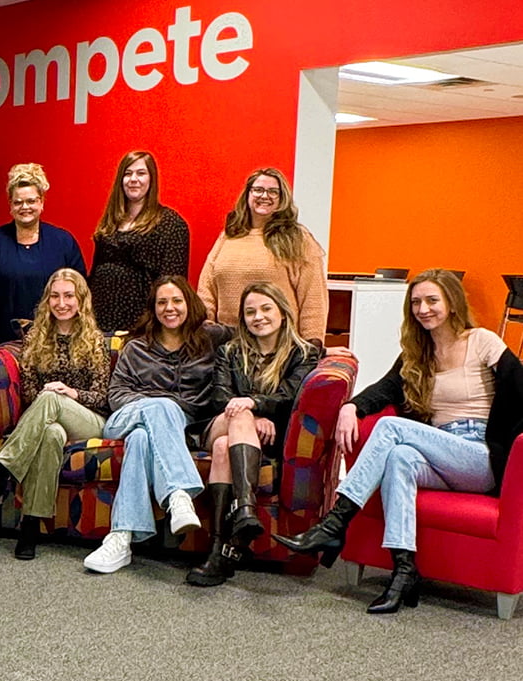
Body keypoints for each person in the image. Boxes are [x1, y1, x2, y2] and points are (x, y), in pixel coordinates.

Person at [276, 269, 523, 613]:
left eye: (432, 300)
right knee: (400, 458)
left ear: (452, 303)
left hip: (479, 456)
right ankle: (404, 571)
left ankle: (335, 522)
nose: (423, 309)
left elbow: (520, 387)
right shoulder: (417, 353)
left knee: (392, 431)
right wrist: (352, 405)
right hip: (439, 450)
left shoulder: (481, 341)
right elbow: (385, 389)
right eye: (417, 302)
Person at [83, 276, 231, 574]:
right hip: (124, 419)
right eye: (162, 302)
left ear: (189, 303)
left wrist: (319, 348)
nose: (170, 308)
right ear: (153, 308)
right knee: (160, 409)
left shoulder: (210, 339)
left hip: (177, 430)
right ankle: (178, 494)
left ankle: (120, 538)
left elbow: (260, 332)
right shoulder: (137, 347)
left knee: (141, 439)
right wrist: (154, 405)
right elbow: (116, 395)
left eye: (176, 301)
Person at [0, 269, 110, 559]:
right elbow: (29, 393)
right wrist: (52, 402)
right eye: (55, 296)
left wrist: (71, 393)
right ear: (47, 301)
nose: (61, 302)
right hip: (47, 419)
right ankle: (29, 527)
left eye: (69, 296)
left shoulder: (95, 340)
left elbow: (103, 396)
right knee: (51, 433)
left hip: (89, 420)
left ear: (81, 301)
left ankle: (1, 469)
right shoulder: (35, 338)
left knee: (52, 398)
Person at [186, 282, 319, 586]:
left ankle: (219, 552)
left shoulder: (304, 353)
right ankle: (246, 507)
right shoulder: (229, 352)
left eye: (265, 308)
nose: (258, 317)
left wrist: (256, 404)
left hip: (262, 439)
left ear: (283, 313)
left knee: (223, 449)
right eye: (250, 312)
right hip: (220, 422)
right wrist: (253, 412)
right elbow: (221, 399)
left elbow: (291, 396)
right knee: (236, 419)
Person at [0, 163, 85, 347]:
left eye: (31, 201)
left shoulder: (63, 242)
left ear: (41, 202)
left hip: (54, 344)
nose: (24, 207)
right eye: (18, 202)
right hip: (0, 344)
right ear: (10, 204)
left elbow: (81, 290)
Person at [198, 168, 328, 344]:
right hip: (228, 344)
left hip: (278, 345)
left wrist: (313, 343)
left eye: (273, 192)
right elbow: (207, 288)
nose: (265, 196)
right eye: (258, 190)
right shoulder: (229, 235)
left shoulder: (298, 238)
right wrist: (204, 326)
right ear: (248, 194)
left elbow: (313, 297)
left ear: (282, 198)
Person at [88, 151, 190, 332]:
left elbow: (173, 283)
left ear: (152, 179)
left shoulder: (171, 223)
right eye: (127, 173)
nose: (133, 179)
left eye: (141, 173)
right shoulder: (110, 222)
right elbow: (95, 272)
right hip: (99, 322)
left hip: (143, 327)